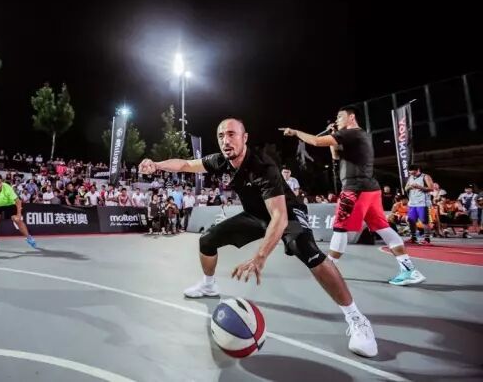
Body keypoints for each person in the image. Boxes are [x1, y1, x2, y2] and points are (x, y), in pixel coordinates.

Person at [139, 118, 378, 358]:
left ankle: (356, 319)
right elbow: (185, 164)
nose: (225, 140)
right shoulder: (220, 161)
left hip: (288, 213)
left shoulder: (262, 166)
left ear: (244, 138)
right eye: (221, 136)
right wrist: (156, 164)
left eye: (231, 134)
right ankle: (209, 285)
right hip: (256, 215)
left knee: (307, 250)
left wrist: (260, 257)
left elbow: (279, 218)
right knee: (207, 240)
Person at [281, 105, 425, 286]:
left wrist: (295, 132)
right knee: (383, 228)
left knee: (340, 229)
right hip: (370, 189)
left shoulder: (351, 133)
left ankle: (328, 269)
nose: (337, 120)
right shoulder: (356, 136)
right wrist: (334, 136)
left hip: (355, 190)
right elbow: (335, 155)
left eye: (340, 117)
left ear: (351, 117)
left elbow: (316, 142)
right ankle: (409, 270)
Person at [404, 165, 434, 244]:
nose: (412, 175)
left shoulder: (425, 176)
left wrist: (420, 187)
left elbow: (431, 188)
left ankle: (427, 239)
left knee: (424, 221)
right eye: (411, 173)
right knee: (411, 220)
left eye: (413, 173)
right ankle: (413, 238)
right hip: (412, 202)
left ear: (418, 170)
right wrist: (409, 187)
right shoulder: (411, 177)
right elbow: (405, 188)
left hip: (422, 203)